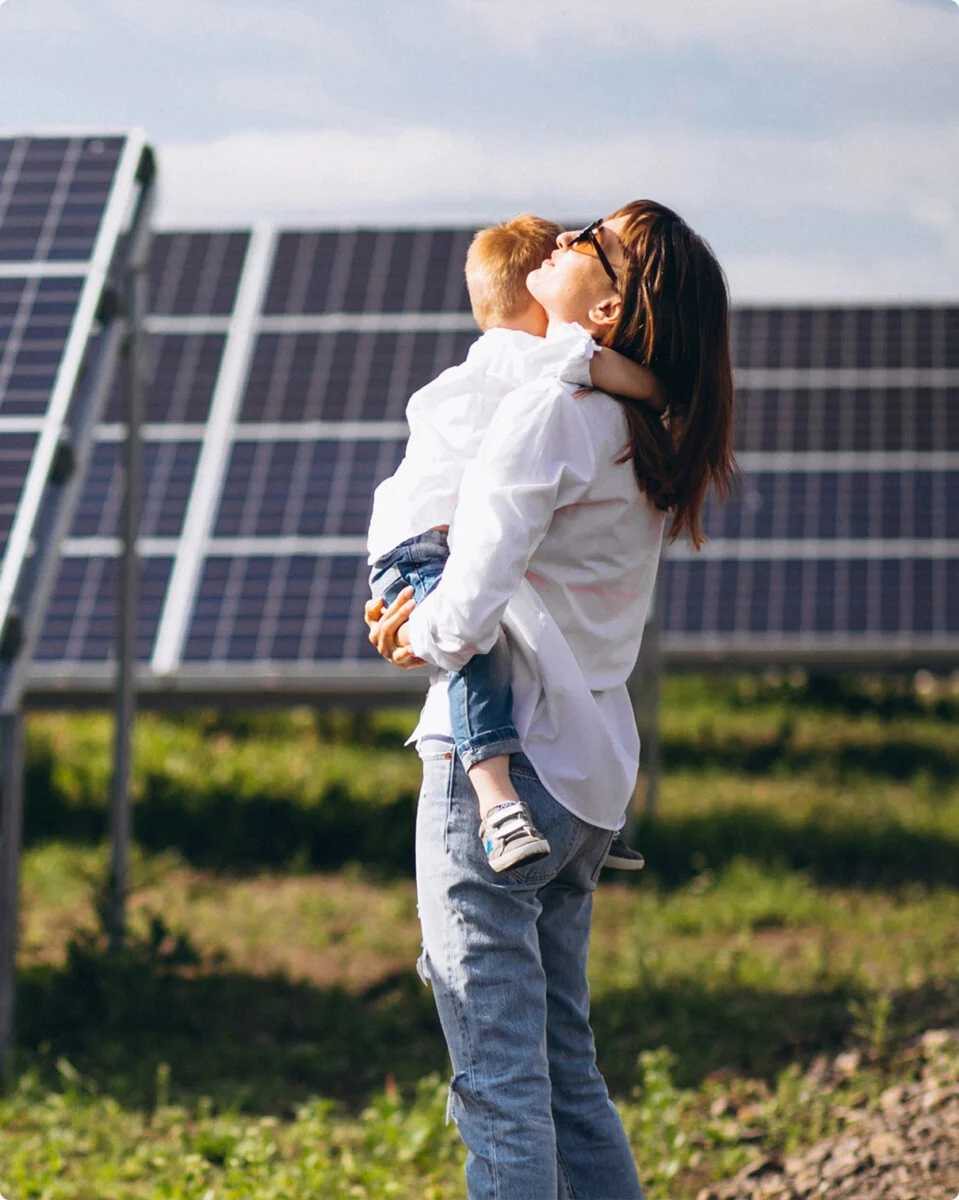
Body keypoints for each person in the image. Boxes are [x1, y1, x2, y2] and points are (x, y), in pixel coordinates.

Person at [366, 201, 736, 1199]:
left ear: (610, 307)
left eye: (591, 243)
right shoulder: (643, 427)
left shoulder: (549, 414)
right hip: (583, 779)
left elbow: (471, 592)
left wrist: (414, 630)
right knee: (563, 1069)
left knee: (498, 1085)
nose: (565, 243)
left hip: (502, 769)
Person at [367, 214, 662, 872]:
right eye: (551, 255)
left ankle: (550, 809)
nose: (564, 248)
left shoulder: (521, 380)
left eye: (578, 245)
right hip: (417, 546)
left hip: (415, 539)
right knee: (479, 647)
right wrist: (659, 387)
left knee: (483, 636)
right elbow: (592, 359)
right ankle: (497, 798)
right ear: (535, 299)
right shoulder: (520, 358)